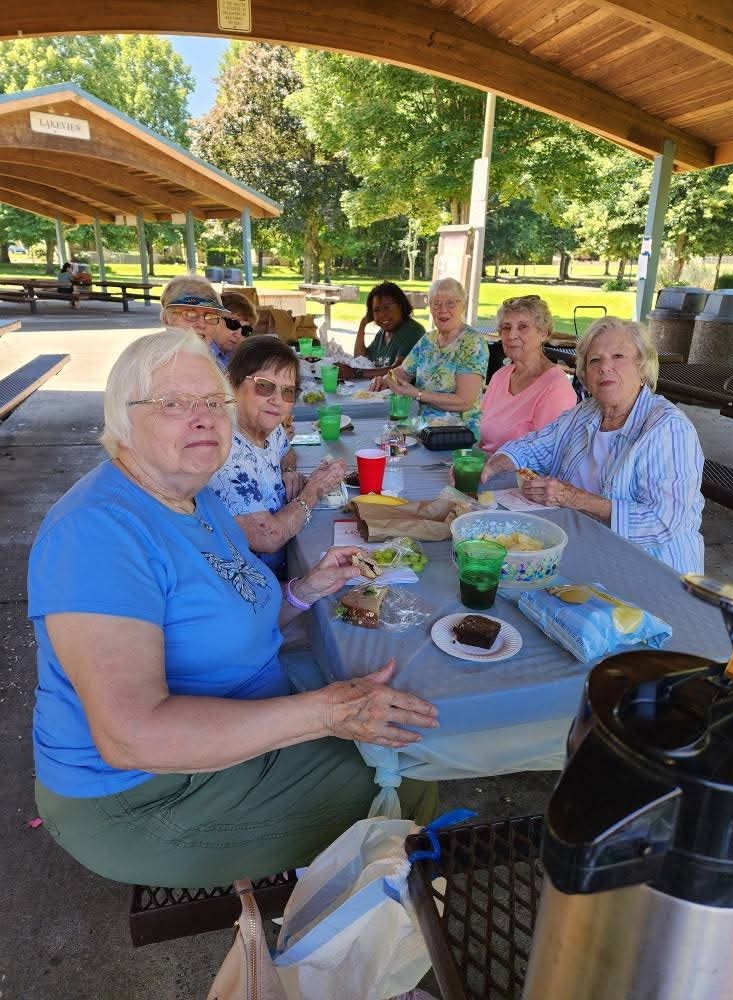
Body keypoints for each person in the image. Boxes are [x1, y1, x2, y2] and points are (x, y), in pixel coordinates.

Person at [28, 330, 438, 889]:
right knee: (412, 769)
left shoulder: (198, 498)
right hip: (144, 796)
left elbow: (235, 616)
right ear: (122, 420)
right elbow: (132, 736)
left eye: (212, 401)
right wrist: (324, 713)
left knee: (395, 713)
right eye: (173, 403)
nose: (203, 418)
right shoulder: (97, 533)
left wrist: (306, 589)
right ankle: (352, 912)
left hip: (230, 732)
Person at [480, 316, 705, 574]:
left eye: (618, 356)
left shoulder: (668, 428)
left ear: (642, 368)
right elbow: (536, 446)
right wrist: (494, 464)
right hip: (585, 548)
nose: (605, 367)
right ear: (585, 375)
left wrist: (574, 498)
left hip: (651, 570)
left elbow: (660, 523)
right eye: (594, 360)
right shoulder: (587, 411)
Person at [209, 335, 346, 575]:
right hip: (247, 582)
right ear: (231, 384)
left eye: (288, 392)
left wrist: (288, 470)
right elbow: (267, 537)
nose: (277, 400)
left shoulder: (268, 428)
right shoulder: (227, 452)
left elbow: (286, 450)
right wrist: (313, 490)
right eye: (264, 386)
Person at [371, 277, 488, 438]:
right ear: (430, 307)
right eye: (436, 303)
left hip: (458, 433)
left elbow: (464, 401)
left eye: (451, 303)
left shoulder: (472, 342)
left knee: (387, 440)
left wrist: (417, 394)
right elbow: (403, 372)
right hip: (422, 426)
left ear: (463, 306)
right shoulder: (428, 340)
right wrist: (384, 379)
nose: (443, 310)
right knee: (376, 435)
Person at [479, 295, 577, 455]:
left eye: (522, 327)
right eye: (506, 327)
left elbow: (546, 455)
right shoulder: (501, 376)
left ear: (543, 333)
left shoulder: (556, 388)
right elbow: (482, 436)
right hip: (483, 465)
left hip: (518, 471)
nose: (511, 335)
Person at [160, 274, 231, 361]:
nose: (202, 325)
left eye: (211, 316)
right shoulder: (150, 362)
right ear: (166, 319)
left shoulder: (223, 363)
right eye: (190, 315)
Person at [353, 281, 424, 369]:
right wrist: (363, 324)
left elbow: (398, 370)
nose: (382, 315)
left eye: (387, 308)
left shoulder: (413, 331)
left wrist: (358, 373)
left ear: (400, 306)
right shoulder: (382, 333)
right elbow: (360, 360)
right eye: (376, 310)